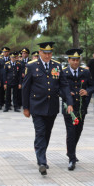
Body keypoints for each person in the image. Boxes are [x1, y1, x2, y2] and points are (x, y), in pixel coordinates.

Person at [22, 41, 73, 176]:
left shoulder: (56, 65)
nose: (47, 55)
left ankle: (41, 154)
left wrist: (69, 102)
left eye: (50, 53)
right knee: (40, 132)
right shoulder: (32, 66)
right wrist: (25, 107)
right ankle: (42, 162)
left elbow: (64, 85)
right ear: (40, 53)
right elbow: (25, 88)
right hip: (37, 106)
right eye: (45, 53)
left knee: (47, 133)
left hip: (52, 106)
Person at [61, 48, 94, 171]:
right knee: (71, 131)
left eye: (77, 60)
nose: (75, 62)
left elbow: (92, 86)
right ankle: (72, 158)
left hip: (81, 107)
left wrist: (87, 91)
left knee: (78, 130)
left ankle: (71, 151)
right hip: (68, 107)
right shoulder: (63, 72)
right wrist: (67, 94)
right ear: (69, 60)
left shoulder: (85, 72)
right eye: (73, 60)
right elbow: (58, 89)